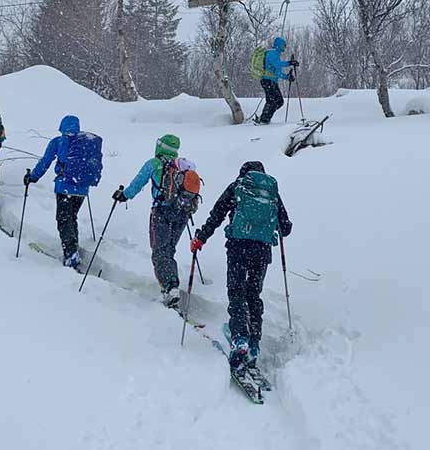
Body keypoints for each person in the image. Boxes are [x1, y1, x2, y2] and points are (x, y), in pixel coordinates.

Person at [191, 161, 292, 369]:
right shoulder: (271, 193)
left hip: (238, 248)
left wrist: (201, 238)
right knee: (253, 294)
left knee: (237, 292)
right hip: (262, 251)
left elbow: (217, 214)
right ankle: (254, 343)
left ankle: (239, 339)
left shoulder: (237, 186)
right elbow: (286, 227)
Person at [113, 134, 200, 308]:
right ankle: (171, 284)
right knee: (169, 250)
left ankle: (170, 287)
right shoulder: (182, 167)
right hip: (182, 213)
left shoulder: (154, 164)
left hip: (161, 211)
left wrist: (124, 196)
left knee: (159, 252)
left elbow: (138, 183)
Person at [26, 115, 103, 268]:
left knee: (63, 220)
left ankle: (71, 253)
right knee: (71, 217)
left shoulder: (58, 142)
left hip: (64, 188)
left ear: (62, 126)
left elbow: (45, 162)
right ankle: (73, 247)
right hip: (82, 189)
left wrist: (32, 177)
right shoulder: (85, 143)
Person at [256, 37, 298, 124]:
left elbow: (277, 72)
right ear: (279, 45)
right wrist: (289, 63)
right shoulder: (272, 53)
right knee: (271, 100)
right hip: (267, 80)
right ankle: (263, 120)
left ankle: (265, 118)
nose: (285, 47)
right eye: (284, 45)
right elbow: (277, 64)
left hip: (272, 81)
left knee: (279, 101)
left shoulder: (276, 55)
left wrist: (287, 77)